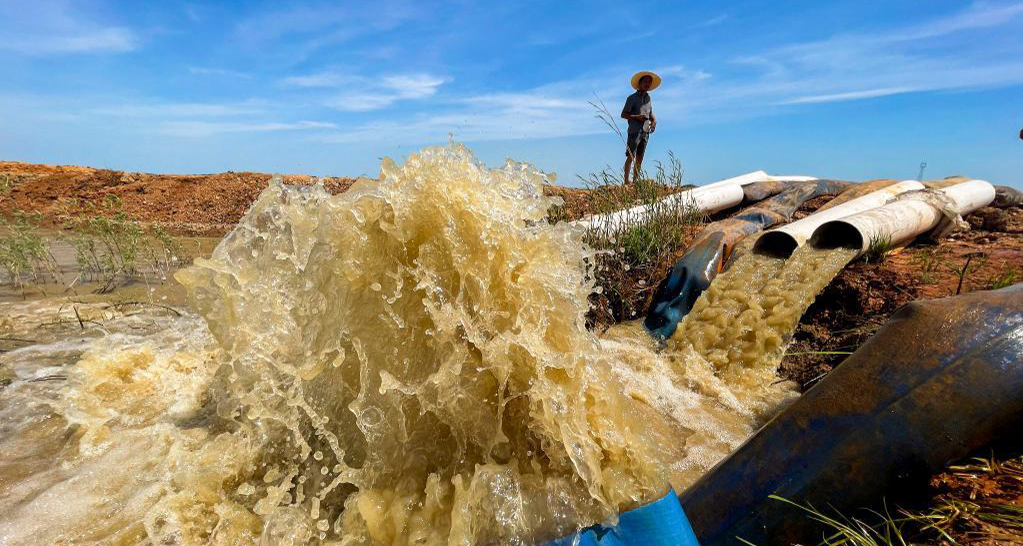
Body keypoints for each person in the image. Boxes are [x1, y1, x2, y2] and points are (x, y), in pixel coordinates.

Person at [621, 71, 661, 186]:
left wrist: (654, 121)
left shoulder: (648, 98)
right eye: (645, 81)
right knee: (631, 156)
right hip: (634, 131)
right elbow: (623, 114)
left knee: (640, 157)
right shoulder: (632, 98)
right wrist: (637, 117)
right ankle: (626, 182)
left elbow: (650, 112)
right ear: (640, 83)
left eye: (649, 82)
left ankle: (635, 182)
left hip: (645, 132)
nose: (647, 84)